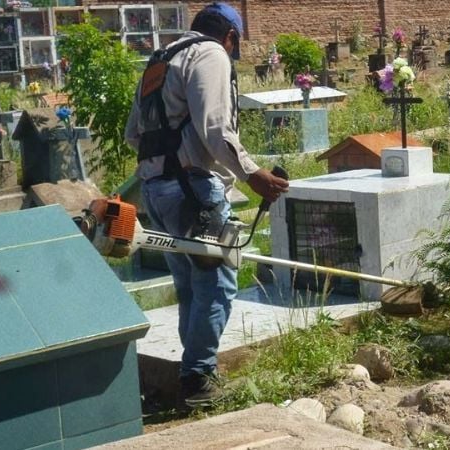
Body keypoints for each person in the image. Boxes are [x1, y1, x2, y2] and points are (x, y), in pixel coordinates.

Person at [124, 2, 289, 408]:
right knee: (216, 283)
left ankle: (192, 374)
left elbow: (133, 135)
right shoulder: (211, 54)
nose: (234, 53)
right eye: (237, 45)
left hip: (155, 190)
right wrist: (253, 175)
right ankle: (199, 379)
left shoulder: (160, 60)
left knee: (189, 287)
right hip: (192, 191)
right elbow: (216, 128)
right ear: (229, 36)